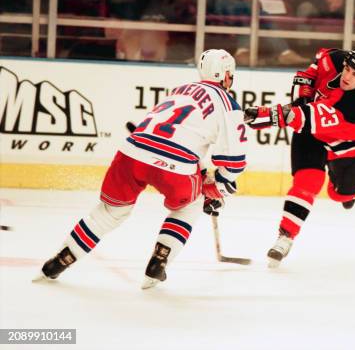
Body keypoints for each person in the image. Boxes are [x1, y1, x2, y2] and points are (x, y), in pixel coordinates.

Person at [34, 49, 247, 289]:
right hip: (174, 166)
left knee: (108, 214)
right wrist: (218, 188)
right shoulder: (228, 104)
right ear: (227, 75)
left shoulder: (180, 90)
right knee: (191, 205)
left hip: (131, 152)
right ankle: (159, 261)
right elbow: (234, 162)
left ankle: (61, 259)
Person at [244, 44, 355, 267]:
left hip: (345, 148)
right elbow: (311, 70)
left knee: (342, 196)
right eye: (347, 68)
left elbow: (305, 116)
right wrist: (302, 97)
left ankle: (346, 195)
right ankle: (285, 237)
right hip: (312, 135)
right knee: (307, 183)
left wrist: (264, 115)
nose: (347, 76)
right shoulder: (334, 59)